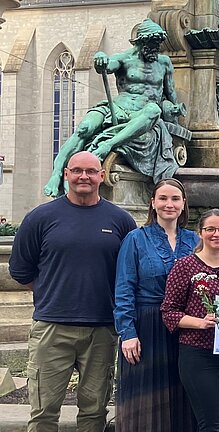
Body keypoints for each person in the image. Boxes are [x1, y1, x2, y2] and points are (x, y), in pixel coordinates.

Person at [9, 151, 136, 431]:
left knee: (94, 412)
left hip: (102, 329)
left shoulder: (121, 220)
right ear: (66, 174)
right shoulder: (41, 218)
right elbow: (20, 270)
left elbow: (129, 273)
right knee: (43, 412)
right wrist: (52, 293)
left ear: (102, 176)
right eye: (77, 171)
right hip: (52, 328)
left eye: (90, 171)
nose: (83, 177)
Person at [44, 19, 186, 197]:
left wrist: (174, 111)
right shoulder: (124, 58)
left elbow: (170, 92)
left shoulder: (164, 63)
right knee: (84, 128)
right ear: (141, 42)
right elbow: (107, 65)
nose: (156, 48)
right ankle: (57, 172)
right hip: (117, 107)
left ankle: (107, 145)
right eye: (152, 43)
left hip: (142, 114)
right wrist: (100, 58)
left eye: (158, 44)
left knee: (154, 110)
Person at [114, 178, 198, 431]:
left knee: (183, 392)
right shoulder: (135, 239)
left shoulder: (195, 240)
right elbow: (124, 288)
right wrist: (128, 333)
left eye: (175, 199)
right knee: (147, 398)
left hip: (185, 328)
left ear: (183, 204)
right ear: (153, 203)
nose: (169, 204)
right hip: (147, 326)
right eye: (163, 198)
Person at [161, 209, 219, 432]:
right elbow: (168, 312)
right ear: (200, 232)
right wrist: (199, 322)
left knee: (212, 419)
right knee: (211, 424)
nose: (217, 234)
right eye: (210, 229)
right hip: (198, 354)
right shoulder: (185, 266)